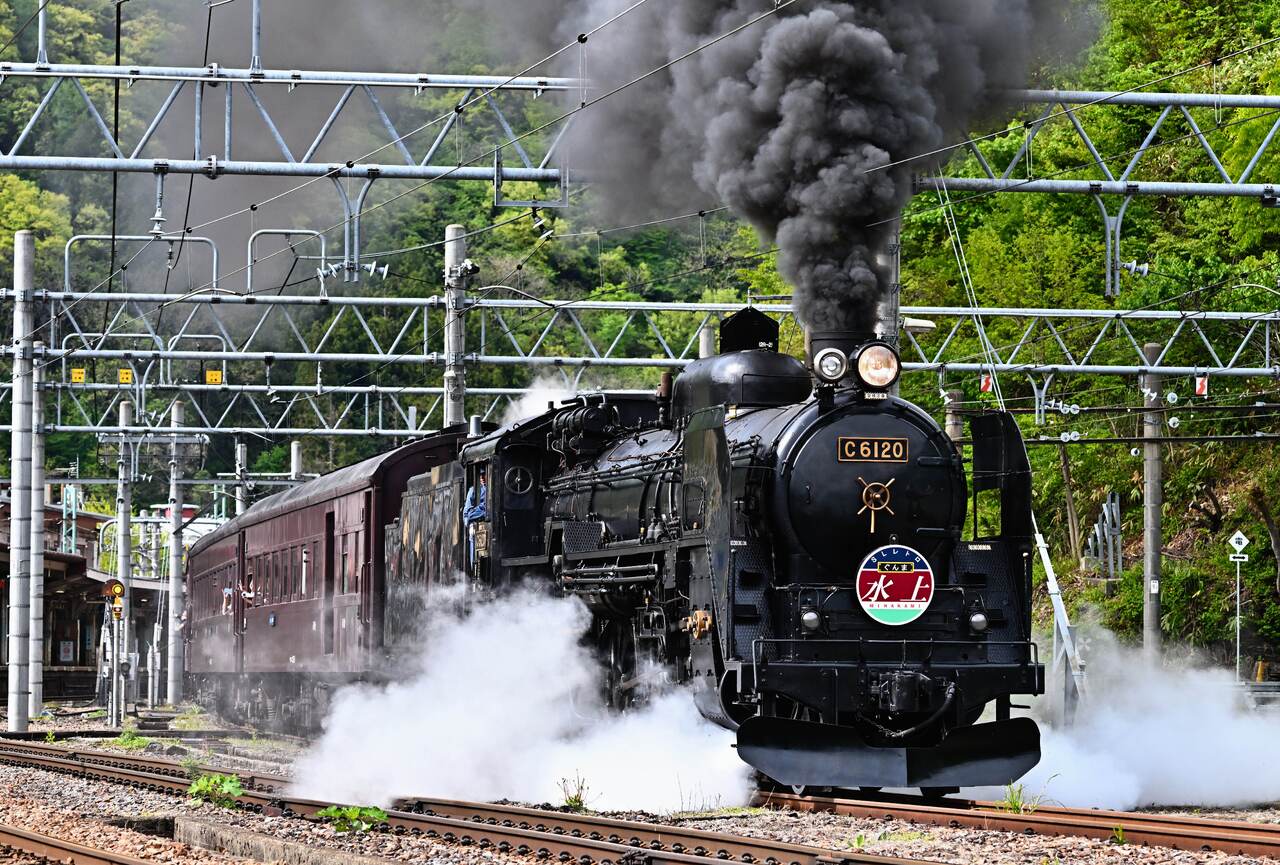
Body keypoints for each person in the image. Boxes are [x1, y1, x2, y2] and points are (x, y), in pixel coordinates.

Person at [464, 470, 488, 568]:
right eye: (480, 475)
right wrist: (483, 509)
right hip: (476, 525)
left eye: (484, 474)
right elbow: (468, 513)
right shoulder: (473, 490)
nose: (482, 477)